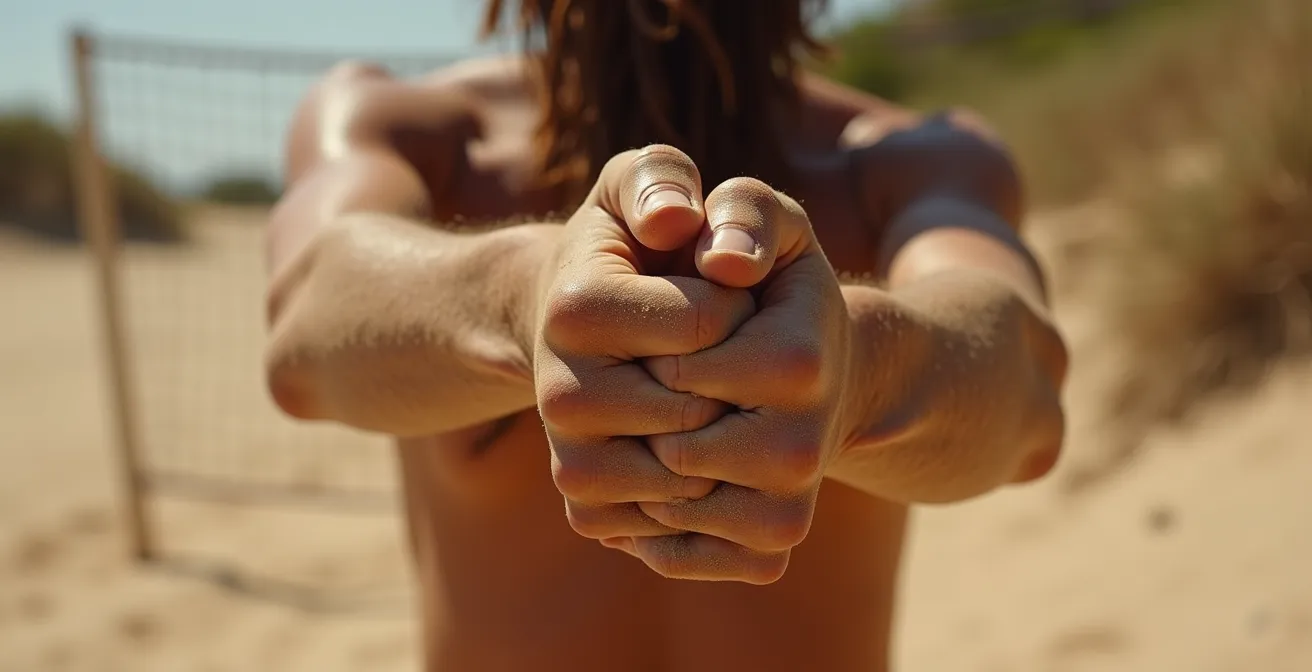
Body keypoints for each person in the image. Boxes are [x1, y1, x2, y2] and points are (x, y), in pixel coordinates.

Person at [264, 1, 1068, 669]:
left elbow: (1021, 391)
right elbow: (309, 315)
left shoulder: (916, 160)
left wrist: (856, 366)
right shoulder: (406, 128)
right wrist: (525, 295)